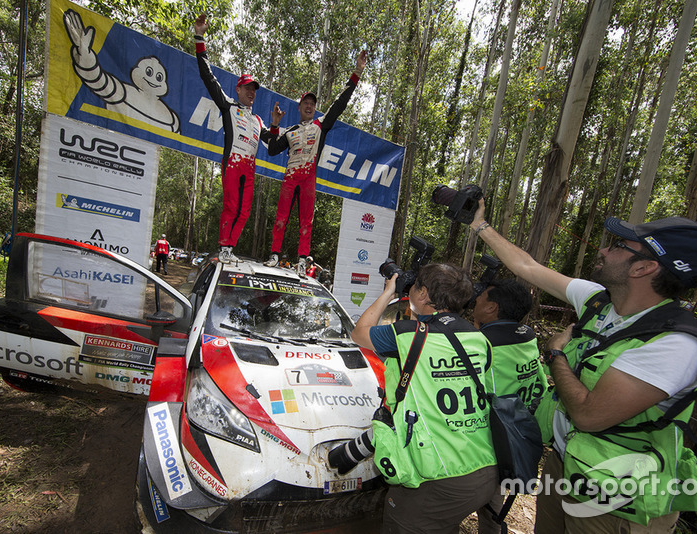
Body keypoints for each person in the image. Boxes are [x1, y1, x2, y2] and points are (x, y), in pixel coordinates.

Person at [469, 201, 697, 533]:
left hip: (617, 496)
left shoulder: (675, 344)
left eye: (619, 246)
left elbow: (590, 415)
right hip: (566, 465)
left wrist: (557, 355)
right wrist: (480, 225)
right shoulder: (600, 302)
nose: (604, 250)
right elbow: (527, 266)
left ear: (643, 268)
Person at [351, 263, 500, 534]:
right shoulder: (480, 339)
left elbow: (360, 332)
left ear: (422, 294)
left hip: (437, 477)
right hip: (485, 469)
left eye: (416, 286)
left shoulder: (408, 335)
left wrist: (389, 292)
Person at [263, 51, 367, 276]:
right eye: (305, 103)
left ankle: (302, 261)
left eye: (312, 103)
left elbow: (340, 103)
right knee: (281, 219)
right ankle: (274, 254)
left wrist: (357, 72)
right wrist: (274, 124)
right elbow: (272, 150)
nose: (309, 106)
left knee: (306, 222)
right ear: (299, 107)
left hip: (308, 178)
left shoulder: (321, 125)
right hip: (290, 179)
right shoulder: (290, 130)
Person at [194, 14, 280, 264]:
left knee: (244, 212)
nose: (252, 92)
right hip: (232, 163)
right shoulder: (228, 107)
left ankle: (229, 249)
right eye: (248, 88)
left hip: (249, 169)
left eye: (254, 90)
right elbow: (208, 78)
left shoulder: (259, 121)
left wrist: (274, 125)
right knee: (231, 206)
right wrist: (199, 38)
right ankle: (223, 247)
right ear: (238, 90)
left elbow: (273, 148)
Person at [469, 278, 548, 534]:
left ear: (492, 308)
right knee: (493, 505)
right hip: (516, 432)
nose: (475, 300)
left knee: (482, 500)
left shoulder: (482, 344)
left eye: (481, 298)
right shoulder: (527, 337)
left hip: (486, 438)